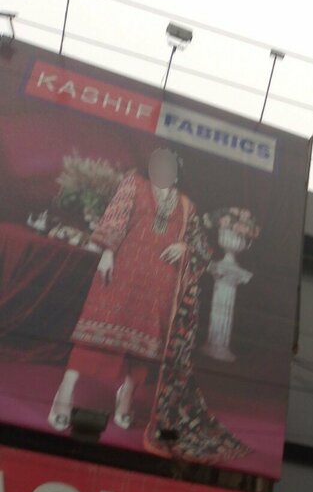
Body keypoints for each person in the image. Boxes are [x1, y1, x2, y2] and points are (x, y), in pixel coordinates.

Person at [47, 147, 248, 463]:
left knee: (145, 348)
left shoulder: (187, 205)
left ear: (177, 173)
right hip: (122, 272)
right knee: (94, 336)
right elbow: (116, 216)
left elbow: (201, 247)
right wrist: (108, 252)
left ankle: (125, 396)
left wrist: (184, 246)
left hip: (160, 284)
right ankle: (64, 393)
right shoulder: (134, 185)